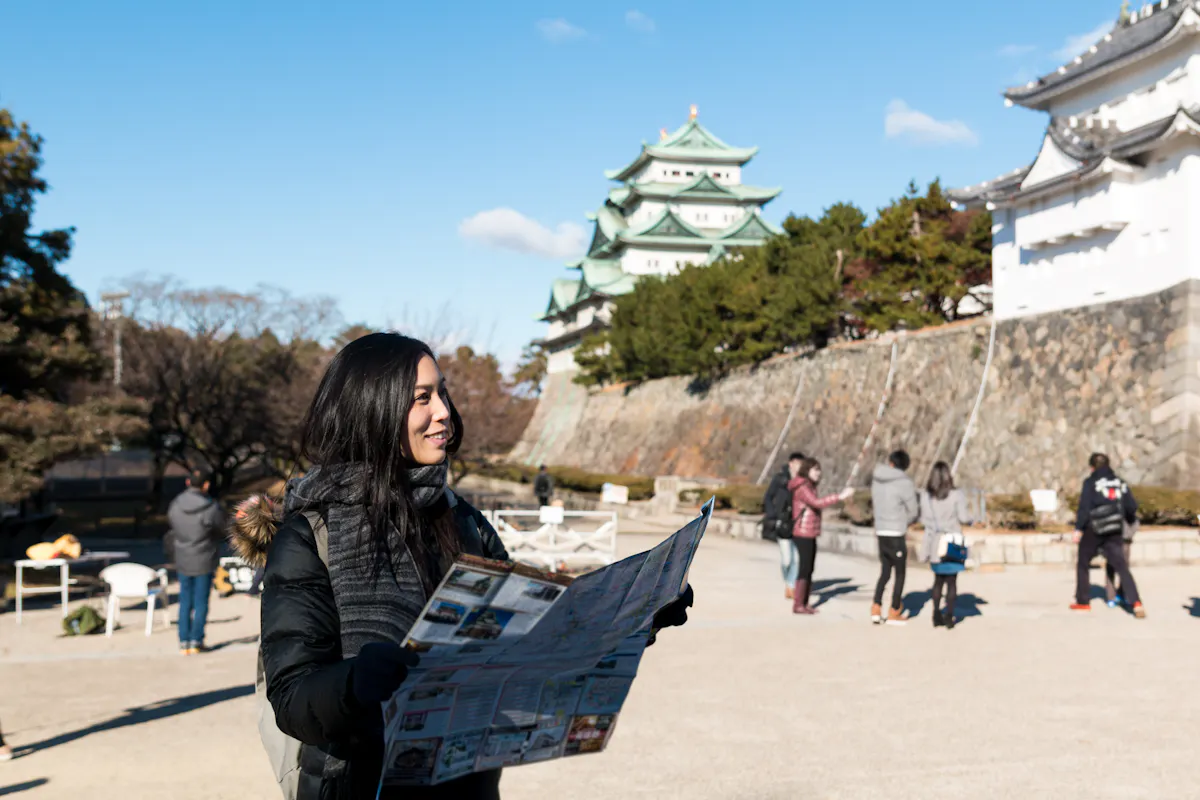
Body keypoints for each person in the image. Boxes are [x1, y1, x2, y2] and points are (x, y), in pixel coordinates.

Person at [237, 333, 693, 799]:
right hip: (359, 783)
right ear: (371, 410)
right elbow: (293, 696)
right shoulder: (310, 536)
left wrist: (632, 616)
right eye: (422, 398)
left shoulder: (462, 520)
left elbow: (532, 637)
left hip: (464, 781)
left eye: (442, 392)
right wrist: (354, 682)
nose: (444, 412)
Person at [1072, 453, 1145, 618]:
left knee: (1083, 562)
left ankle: (1083, 601)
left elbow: (1084, 508)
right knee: (1122, 566)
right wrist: (1127, 521)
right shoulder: (1120, 483)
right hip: (1114, 529)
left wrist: (1078, 529)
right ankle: (1136, 602)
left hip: (1094, 529)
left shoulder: (1091, 482)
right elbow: (1131, 506)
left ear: (1092, 467)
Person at [166, 468, 225, 655]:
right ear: (206, 485)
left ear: (187, 482)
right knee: (200, 601)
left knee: (185, 600)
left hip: (183, 557)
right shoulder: (210, 507)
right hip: (204, 557)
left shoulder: (176, 504)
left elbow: (172, 524)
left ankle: (183, 640)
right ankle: (196, 641)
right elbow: (222, 527)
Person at [788, 457, 854, 614]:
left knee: (809, 568)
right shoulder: (803, 486)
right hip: (802, 531)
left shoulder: (809, 485)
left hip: (809, 531)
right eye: (815, 470)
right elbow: (816, 503)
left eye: (819, 470)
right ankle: (798, 604)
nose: (819, 473)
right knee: (805, 568)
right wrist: (839, 497)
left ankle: (804, 603)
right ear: (807, 470)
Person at [918, 462, 972, 629]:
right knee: (952, 581)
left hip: (934, 542)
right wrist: (972, 518)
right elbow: (964, 517)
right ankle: (949, 616)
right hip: (952, 542)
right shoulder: (956, 495)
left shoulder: (925, 496)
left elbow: (924, 521)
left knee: (938, 581)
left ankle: (935, 614)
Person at [870, 450, 919, 626]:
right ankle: (894, 610)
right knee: (899, 572)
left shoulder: (876, 477)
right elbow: (913, 510)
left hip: (880, 530)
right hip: (896, 531)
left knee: (884, 570)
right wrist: (904, 521)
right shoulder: (904, 482)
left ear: (890, 462)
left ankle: (876, 606)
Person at [763, 452, 805, 599]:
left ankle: (791, 585)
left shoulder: (804, 481)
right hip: (783, 524)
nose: (799, 466)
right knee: (787, 559)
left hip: (799, 524)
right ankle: (788, 580)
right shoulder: (780, 479)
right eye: (797, 463)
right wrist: (772, 515)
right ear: (790, 463)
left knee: (797, 559)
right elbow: (768, 497)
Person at [1104, 516, 1137, 609]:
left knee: (1124, 570)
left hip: (1125, 541)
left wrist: (1128, 534)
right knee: (1110, 569)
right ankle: (1111, 597)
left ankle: (1122, 594)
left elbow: (1135, 521)